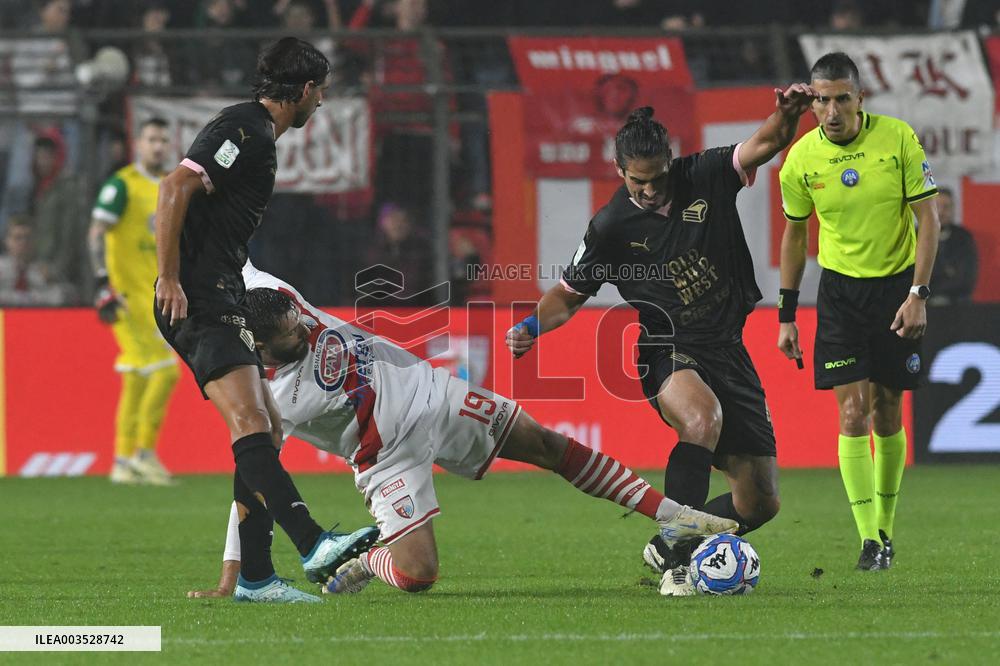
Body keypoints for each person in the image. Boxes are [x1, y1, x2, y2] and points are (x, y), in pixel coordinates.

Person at [187, 262, 737, 598]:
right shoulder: (269, 401)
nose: (305, 329)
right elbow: (254, 479)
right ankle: (371, 557)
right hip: (385, 460)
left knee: (546, 444)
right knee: (420, 576)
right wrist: (235, 569)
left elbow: (235, 251)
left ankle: (678, 517)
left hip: (435, 395)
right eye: (291, 335)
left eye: (299, 318)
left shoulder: (282, 303)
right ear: (260, 350)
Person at [506, 83, 818, 596]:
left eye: (655, 180)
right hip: (665, 346)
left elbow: (766, 143)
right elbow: (567, 294)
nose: (648, 191)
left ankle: (669, 545)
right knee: (701, 419)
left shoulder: (706, 175)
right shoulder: (610, 226)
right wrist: (530, 328)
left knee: (759, 502)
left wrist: (786, 115)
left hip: (727, 347)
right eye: (637, 181)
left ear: (670, 163)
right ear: (619, 170)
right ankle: (677, 561)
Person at [153, 37, 377, 603]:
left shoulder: (258, 136)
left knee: (265, 430)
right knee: (254, 422)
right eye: (321, 91)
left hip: (222, 291)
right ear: (302, 90)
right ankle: (311, 543)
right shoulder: (243, 129)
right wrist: (170, 277)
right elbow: (175, 185)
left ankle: (254, 577)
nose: (322, 102)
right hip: (199, 297)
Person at [777, 52, 940, 571]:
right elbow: (795, 234)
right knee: (852, 413)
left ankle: (885, 530)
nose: (831, 111)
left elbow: (928, 220)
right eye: (821, 100)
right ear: (812, 102)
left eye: (841, 98)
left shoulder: (897, 139)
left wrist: (919, 293)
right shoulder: (801, 159)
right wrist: (786, 314)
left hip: (896, 289)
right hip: (841, 295)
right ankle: (870, 538)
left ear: (860, 98)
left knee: (888, 408)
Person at [89, 117, 181, 485]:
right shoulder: (122, 186)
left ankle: (123, 460)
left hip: (156, 297)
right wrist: (101, 283)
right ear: (137, 144)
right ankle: (142, 453)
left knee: (137, 379)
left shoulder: (171, 185)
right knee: (165, 371)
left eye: (163, 139)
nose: (158, 146)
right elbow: (96, 232)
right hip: (126, 298)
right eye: (151, 139)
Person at [0, 216, 70, 306]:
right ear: (7, 241)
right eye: (17, 238)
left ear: (34, 241)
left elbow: (65, 295)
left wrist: (51, 281)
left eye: (27, 237)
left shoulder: (46, 270)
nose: (23, 242)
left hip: (38, 318)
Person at [928, 187, 977, 305]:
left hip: (957, 304)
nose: (940, 212)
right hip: (922, 304)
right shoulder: (916, 235)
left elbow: (966, 279)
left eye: (946, 207)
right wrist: (947, 273)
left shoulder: (963, 238)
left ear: (953, 210)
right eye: (937, 206)